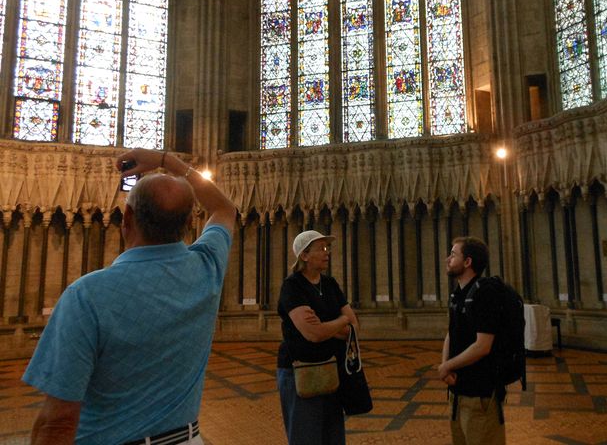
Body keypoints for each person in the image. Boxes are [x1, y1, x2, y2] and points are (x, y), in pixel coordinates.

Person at [23, 149, 237, 445]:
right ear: (189, 223)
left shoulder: (85, 296)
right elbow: (225, 209)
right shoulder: (206, 269)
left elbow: (57, 422)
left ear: (127, 217)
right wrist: (167, 162)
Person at [277, 230, 359, 445]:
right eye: (321, 248)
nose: (327, 252)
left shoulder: (330, 284)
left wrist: (328, 323)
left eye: (327, 248)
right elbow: (312, 334)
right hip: (300, 372)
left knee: (333, 437)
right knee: (306, 437)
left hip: (331, 370)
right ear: (304, 255)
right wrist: (340, 321)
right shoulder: (292, 286)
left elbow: (353, 325)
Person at [437, 236, 505, 445]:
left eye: (454, 254)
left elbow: (483, 346)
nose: (448, 259)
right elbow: (452, 332)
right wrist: (445, 367)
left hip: (480, 395)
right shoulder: (458, 294)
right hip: (458, 394)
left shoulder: (485, 293)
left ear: (468, 262)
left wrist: (447, 366)